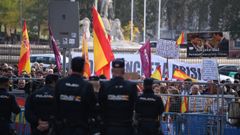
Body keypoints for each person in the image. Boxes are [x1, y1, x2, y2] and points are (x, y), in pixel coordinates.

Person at [55, 57, 96, 135]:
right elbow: (92, 106)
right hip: (80, 127)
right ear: (83, 68)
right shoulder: (87, 85)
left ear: (71, 67)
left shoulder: (60, 83)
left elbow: (55, 104)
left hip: (62, 127)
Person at [98, 58, 138, 135]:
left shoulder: (105, 86)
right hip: (126, 127)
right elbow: (135, 105)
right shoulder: (131, 86)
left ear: (112, 71)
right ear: (123, 71)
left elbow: (101, 104)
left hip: (109, 127)